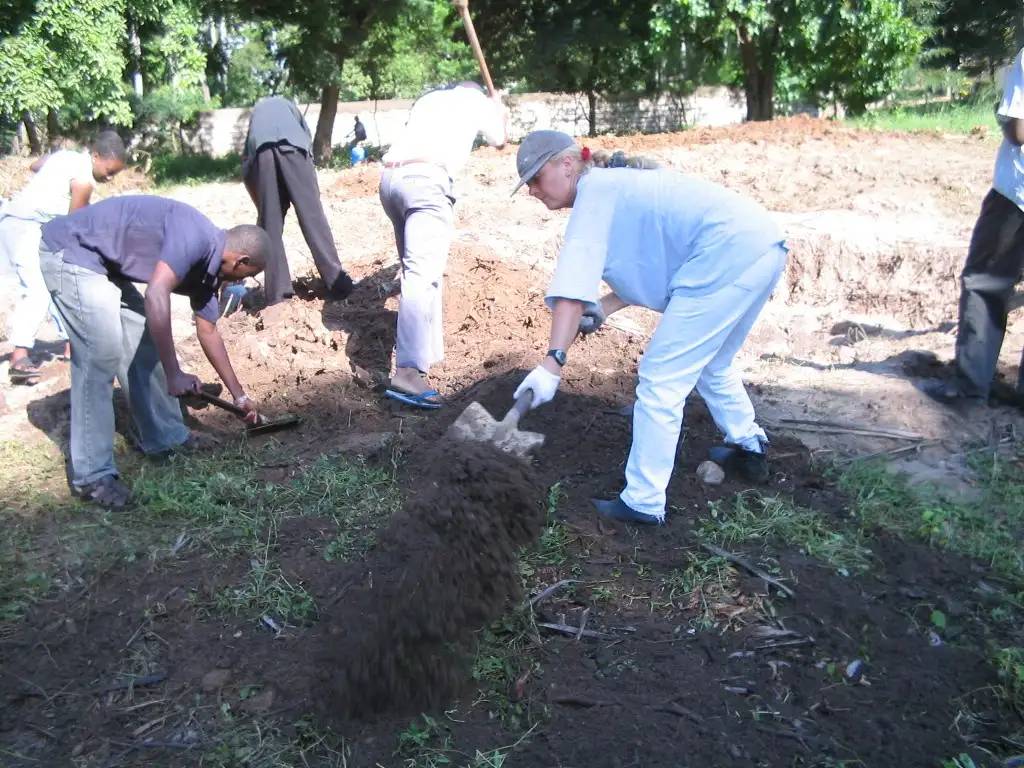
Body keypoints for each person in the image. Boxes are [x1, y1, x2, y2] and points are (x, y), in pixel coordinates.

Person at [511, 130, 787, 525]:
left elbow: (571, 291)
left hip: (727, 253)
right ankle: (748, 447)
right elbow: (654, 261)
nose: (532, 191)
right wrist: (605, 307)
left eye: (536, 178)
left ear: (567, 165)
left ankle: (643, 502)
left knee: (660, 378)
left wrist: (552, 364)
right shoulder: (616, 186)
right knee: (713, 363)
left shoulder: (594, 194)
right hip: (761, 245)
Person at [39, 195, 271, 509]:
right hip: (73, 252)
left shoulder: (210, 274)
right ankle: (93, 476)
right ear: (240, 261)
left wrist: (239, 396)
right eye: (247, 274)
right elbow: (156, 293)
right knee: (100, 353)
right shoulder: (195, 236)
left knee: (143, 342)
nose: (242, 281)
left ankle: (166, 438)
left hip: (106, 265)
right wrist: (174, 373)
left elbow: (208, 331)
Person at [379, 82, 507, 408]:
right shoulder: (477, 100)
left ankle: (427, 358)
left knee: (422, 272)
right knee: (421, 277)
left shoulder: (431, 98)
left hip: (390, 182)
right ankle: (408, 372)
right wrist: (498, 110)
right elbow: (500, 140)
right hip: (425, 183)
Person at [926, 48, 1024, 407]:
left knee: (986, 283)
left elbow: (1019, 129)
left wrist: (1003, 116)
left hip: (1018, 196)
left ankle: (969, 388)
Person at [0, 130, 126, 384]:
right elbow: (75, 224)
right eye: (109, 171)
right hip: (26, 226)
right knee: (38, 289)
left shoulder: (66, 157)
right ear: (95, 156)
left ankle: (71, 344)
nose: (110, 178)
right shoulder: (84, 179)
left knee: (54, 283)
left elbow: (35, 165)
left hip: (13, 220)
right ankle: (19, 356)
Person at [242, 96, 354, 308]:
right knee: (312, 216)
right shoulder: (291, 109)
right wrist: (310, 197)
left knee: (270, 226)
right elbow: (306, 143)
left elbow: (246, 167)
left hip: (262, 155)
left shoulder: (256, 114)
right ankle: (338, 284)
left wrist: (264, 210)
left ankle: (277, 295)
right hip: (294, 150)